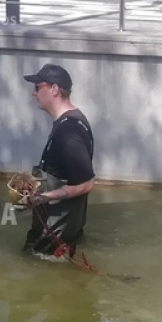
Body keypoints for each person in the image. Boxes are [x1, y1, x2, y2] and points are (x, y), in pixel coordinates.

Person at [20, 64, 95, 257]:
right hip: (58, 229)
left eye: (38, 87)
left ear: (54, 89)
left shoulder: (69, 131)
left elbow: (87, 184)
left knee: (35, 270)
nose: (33, 93)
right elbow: (65, 173)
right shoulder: (70, 122)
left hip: (55, 234)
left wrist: (42, 198)